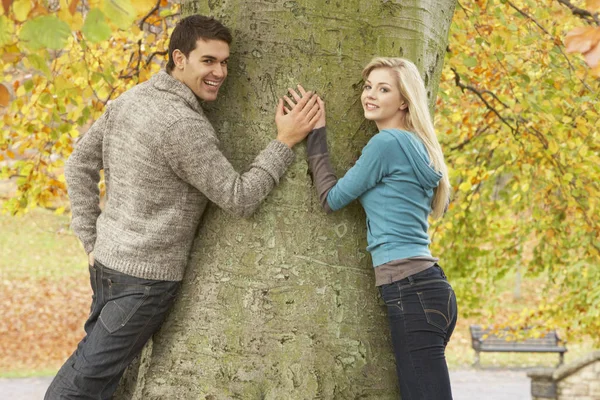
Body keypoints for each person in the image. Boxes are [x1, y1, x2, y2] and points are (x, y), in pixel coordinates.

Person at [45, 15, 322, 400]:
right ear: (179, 57)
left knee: (104, 380)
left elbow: (77, 164)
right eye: (208, 61)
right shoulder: (183, 126)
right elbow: (239, 197)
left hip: (108, 265)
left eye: (224, 62)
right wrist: (284, 141)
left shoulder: (131, 99)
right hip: (143, 283)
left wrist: (91, 241)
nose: (220, 72)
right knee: (81, 386)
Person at [287, 57, 457, 399]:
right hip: (428, 288)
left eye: (384, 89)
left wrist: (316, 134)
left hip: (411, 289)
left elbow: (331, 199)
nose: (371, 95)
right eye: (368, 87)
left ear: (404, 100)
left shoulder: (386, 144)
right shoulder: (417, 145)